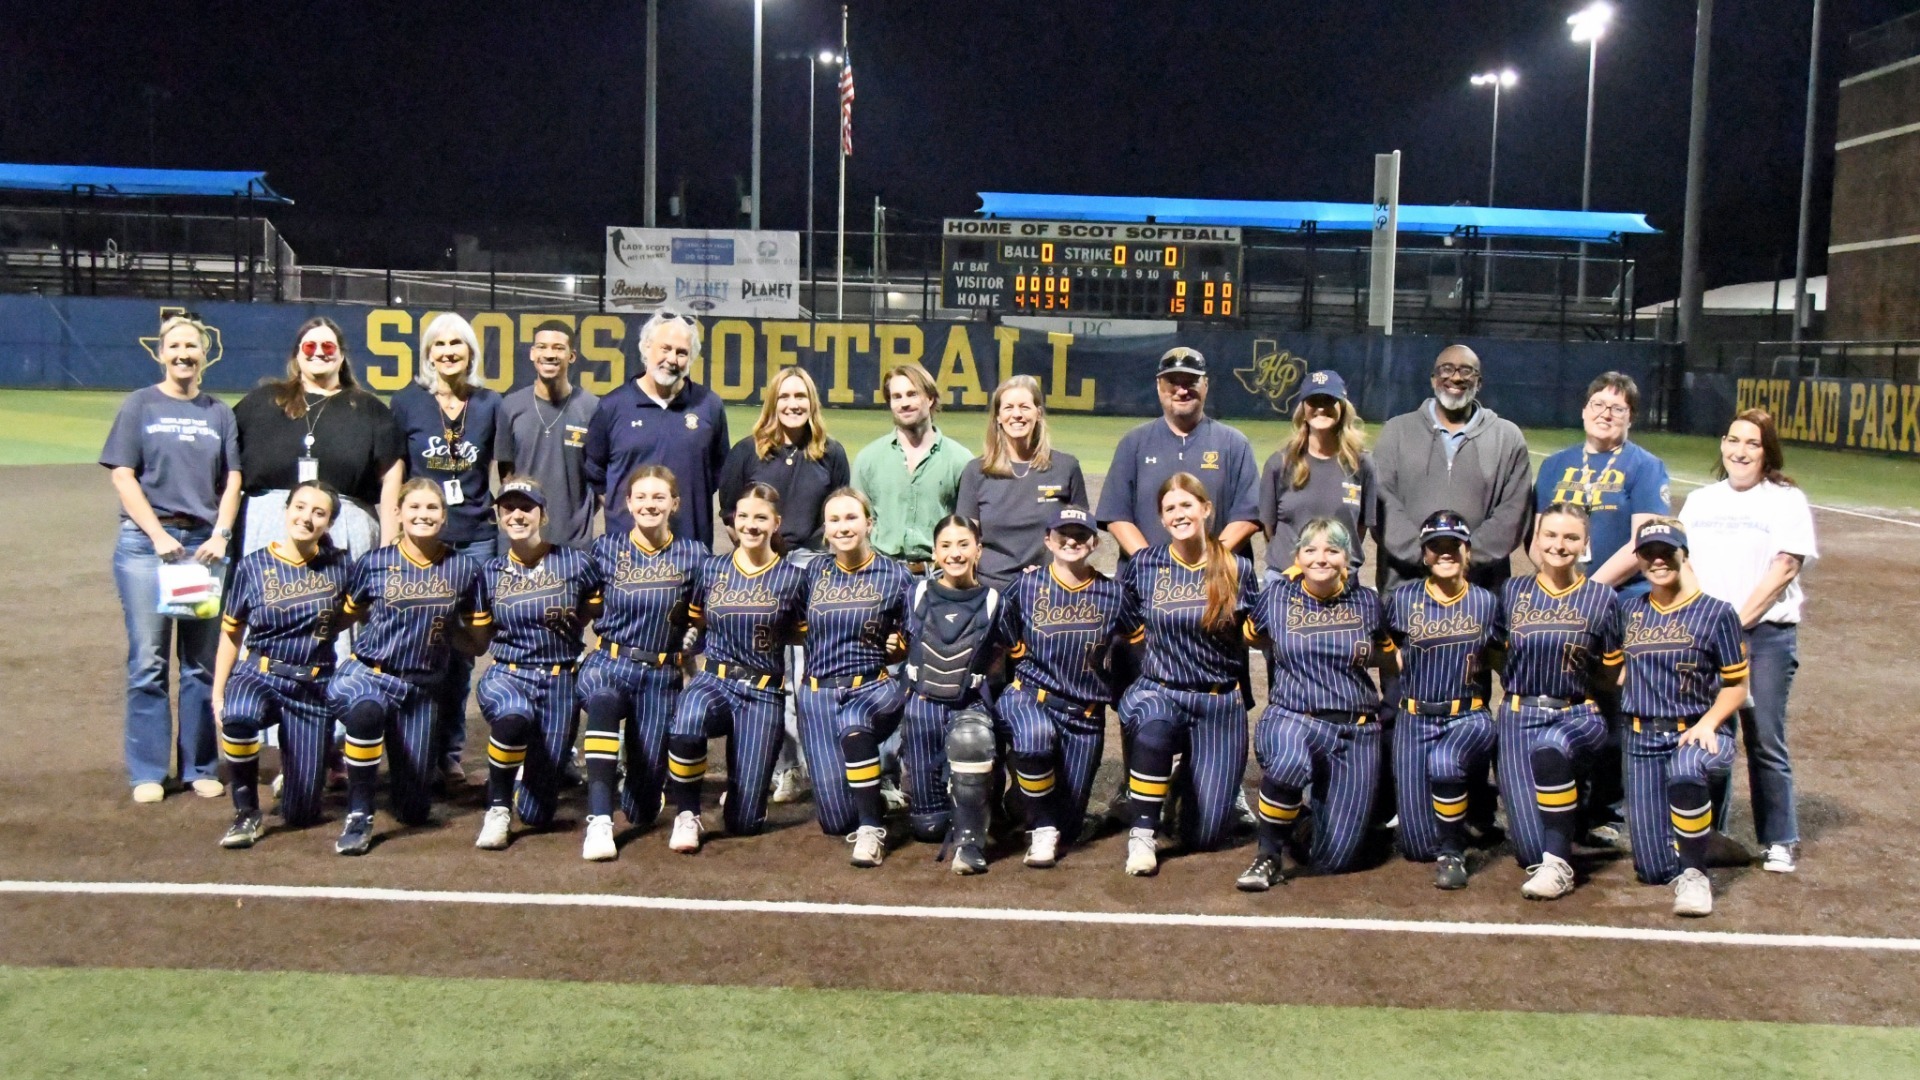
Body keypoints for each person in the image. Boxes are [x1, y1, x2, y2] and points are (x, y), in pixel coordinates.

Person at [101, 311, 243, 804]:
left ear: (206, 354)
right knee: (148, 660)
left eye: (193, 346)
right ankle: (147, 770)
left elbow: (233, 481)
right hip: (148, 550)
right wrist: (158, 534)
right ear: (161, 353)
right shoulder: (139, 406)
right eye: (175, 346)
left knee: (201, 664)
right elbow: (123, 475)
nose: (184, 354)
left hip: (202, 549)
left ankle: (200, 765)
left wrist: (222, 534)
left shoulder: (218, 412)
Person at [1531, 372, 1670, 849]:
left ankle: (1607, 809)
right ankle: (1562, 796)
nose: (1606, 413)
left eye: (1617, 407)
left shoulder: (1644, 466)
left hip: (1620, 603)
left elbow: (1644, 542)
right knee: (1565, 697)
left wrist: (1587, 589)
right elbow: (1539, 539)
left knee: (1611, 703)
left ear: (1632, 416)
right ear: (1583, 409)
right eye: (1598, 404)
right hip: (1561, 602)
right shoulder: (1555, 465)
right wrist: (1558, 585)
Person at [1678, 408, 1816, 874]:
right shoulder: (1700, 501)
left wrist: (1733, 623)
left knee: (1764, 737)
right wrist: (1707, 623)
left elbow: (1785, 568)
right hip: (1709, 635)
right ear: (1722, 444)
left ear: (1766, 451)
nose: (1741, 451)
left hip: (1767, 635)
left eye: (1752, 444)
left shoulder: (1785, 499)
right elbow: (1684, 564)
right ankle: (1707, 834)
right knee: (1711, 733)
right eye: (1734, 440)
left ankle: (1779, 838)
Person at [328, 479, 487, 855]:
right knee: (366, 711)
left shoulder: (463, 569)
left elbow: (476, 640)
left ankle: (396, 785)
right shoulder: (374, 563)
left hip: (420, 689)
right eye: (414, 507)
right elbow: (350, 616)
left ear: (444, 516)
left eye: (432, 508)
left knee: (415, 810)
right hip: (370, 674)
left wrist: (441, 631)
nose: (423, 515)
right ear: (398, 514)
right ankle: (359, 813)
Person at [715, 364, 850, 804]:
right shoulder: (746, 452)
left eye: (802, 397)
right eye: (786, 397)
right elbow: (731, 514)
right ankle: (784, 768)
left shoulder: (830, 453)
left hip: (812, 568)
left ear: (813, 404)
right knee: (767, 670)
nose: (794, 405)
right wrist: (758, 556)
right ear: (773, 402)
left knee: (808, 670)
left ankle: (822, 764)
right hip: (764, 567)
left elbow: (838, 514)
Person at [1238, 518, 1395, 890]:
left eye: (1332, 550)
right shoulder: (1276, 597)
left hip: (1355, 729)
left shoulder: (1367, 603)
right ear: (1297, 557)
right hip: (1294, 717)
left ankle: (1298, 818)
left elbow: (1388, 658)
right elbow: (1250, 636)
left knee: (1334, 859)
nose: (1320, 558)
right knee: (1289, 763)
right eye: (1310, 550)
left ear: (1348, 558)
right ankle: (1267, 856)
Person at [1117, 473, 1258, 877]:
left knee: (1206, 834)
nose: (1179, 514)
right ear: (1161, 519)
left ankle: (1182, 784)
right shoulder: (1145, 564)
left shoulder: (1236, 568)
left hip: (1218, 702)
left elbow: (1256, 632)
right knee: (1154, 727)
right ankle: (1142, 833)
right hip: (1160, 691)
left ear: (1206, 509)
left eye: (1186, 505)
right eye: (1170, 509)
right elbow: (1121, 624)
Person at [662, 483, 811, 851]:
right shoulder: (712, 569)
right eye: (743, 516)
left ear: (776, 523)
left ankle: (741, 795)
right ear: (733, 521)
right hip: (715, 680)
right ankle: (687, 814)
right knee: (687, 721)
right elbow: (694, 621)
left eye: (761, 518)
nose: (751, 525)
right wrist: (686, 657)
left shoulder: (794, 579)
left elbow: (803, 634)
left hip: (763, 693)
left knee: (744, 824)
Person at [389, 312, 503, 788]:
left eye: (458, 343)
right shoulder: (408, 402)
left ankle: (449, 751)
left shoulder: (489, 404)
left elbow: (506, 469)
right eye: (440, 344)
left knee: (462, 653)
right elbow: (396, 468)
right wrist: (391, 528)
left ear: (471, 352)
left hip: (475, 537)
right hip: (422, 539)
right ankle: (412, 747)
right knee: (417, 644)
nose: (449, 351)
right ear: (428, 353)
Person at [574, 465, 708, 862]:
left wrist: (693, 639)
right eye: (642, 497)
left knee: (643, 807)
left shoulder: (694, 555)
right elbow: (579, 600)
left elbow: (701, 619)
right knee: (604, 700)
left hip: (661, 675)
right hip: (609, 663)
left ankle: (635, 793)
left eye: (659, 497)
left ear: (674, 504)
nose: (650, 504)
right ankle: (598, 820)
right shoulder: (605, 550)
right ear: (628, 503)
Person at [1617, 520, 1750, 917]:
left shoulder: (1717, 613)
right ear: (1639, 561)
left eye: (1667, 552)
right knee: (1654, 870)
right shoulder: (1629, 610)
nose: (1658, 561)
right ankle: (1705, 838)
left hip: (1696, 732)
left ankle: (1695, 874)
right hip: (1642, 738)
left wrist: (1708, 723)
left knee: (1687, 771)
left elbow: (1737, 685)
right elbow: (1618, 668)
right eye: (1649, 554)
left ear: (1683, 555)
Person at [211, 480, 354, 847]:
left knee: (302, 813)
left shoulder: (341, 567)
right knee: (239, 714)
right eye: (300, 507)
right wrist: (218, 693)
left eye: (318, 512)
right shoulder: (253, 565)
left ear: (329, 523)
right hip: (258, 673)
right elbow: (231, 633)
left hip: (312, 686)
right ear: (286, 509)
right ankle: (246, 813)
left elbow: (358, 612)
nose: (306, 517)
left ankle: (299, 778)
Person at [1492, 502, 1623, 901]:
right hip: (1518, 714)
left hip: (1576, 713)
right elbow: (1498, 655)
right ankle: (1565, 826)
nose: (1559, 545)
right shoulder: (1512, 591)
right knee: (1530, 850)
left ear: (1585, 544)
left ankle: (1560, 869)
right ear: (1536, 539)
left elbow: (1611, 672)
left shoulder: (1602, 598)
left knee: (1553, 750)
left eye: (1570, 537)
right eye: (1550, 534)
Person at [995, 506, 1135, 868]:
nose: (1071, 540)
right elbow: (995, 617)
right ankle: (1038, 821)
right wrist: (1017, 649)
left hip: (1085, 716)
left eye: (1080, 535)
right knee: (1036, 738)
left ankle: (1024, 800)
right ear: (1048, 540)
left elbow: (1138, 639)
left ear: (1094, 542)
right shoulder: (1027, 584)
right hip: (1031, 698)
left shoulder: (1113, 594)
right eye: (1062, 534)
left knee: (1069, 829)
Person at [467, 479, 603, 851]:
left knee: (538, 813)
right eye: (508, 508)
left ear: (543, 515)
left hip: (559, 680)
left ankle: (525, 775)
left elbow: (596, 610)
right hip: (507, 675)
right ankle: (496, 808)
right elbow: (479, 642)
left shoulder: (576, 563)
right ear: (498, 517)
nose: (517, 515)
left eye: (526, 507)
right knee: (514, 716)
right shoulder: (489, 573)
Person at [793, 488, 913, 867]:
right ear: (825, 530)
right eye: (835, 520)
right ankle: (868, 798)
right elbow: (791, 624)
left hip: (872, 688)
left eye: (851, 518)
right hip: (816, 694)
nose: (843, 527)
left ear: (869, 523)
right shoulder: (811, 573)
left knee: (854, 724)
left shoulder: (896, 574)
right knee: (834, 820)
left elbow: (913, 638)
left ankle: (871, 829)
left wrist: (900, 646)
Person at [1383, 511, 1501, 889]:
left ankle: (1454, 852)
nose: (1445, 553)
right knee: (1417, 846)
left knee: (1446, 762)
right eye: (1437, 547)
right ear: (1424, 554)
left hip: (1468, 717)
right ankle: (1458, 824)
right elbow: (1378, 645)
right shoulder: (1401, 599)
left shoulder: (1486, 603)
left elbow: (1504, 658)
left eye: (1454, 546)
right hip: (1415, 718)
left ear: (1468, 552)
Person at [233, 317, 404, 558]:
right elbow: (228, 467)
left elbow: (392, 480)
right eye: (310, 347)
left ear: (342, 356)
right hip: (264, 527)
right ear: (297, 355)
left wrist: (389, 545)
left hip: (346, 529)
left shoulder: (370, 409)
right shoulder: (263, 400)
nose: (319, 353)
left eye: (328, 347)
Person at [1372, 345, 1532, 593]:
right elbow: (1382, 503)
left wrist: (1464, 558)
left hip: (1480, 593)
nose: (1456, 377)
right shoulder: (1396, 431)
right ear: (1433, 379)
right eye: (1447, 369)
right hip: (1404, 589)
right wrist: (1423, 555)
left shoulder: (1507, 438)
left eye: (1466, 371)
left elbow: (1513, 512)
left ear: (1479, 382)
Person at [900, 515, 1003, 871]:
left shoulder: (994, 600)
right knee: (927, 827)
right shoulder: (915, 593)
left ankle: (971, 844)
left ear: (979, 550)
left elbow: (1007, 659)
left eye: (964, 545)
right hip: (922, 706)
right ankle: (936, 795)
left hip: (969, 705)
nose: (955, 553)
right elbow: (899, 645)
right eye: (946, 545)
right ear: (934, 551)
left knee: (971, 738)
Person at [584, 310, 729, 548]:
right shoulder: (613, 406)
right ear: (646, 348)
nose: (672, 359)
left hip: (690, 550)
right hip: (627, 552)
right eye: (665, 348)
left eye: (682, 352)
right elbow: (596, 475)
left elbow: (718, 474)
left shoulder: (709, 406)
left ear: (691, 358)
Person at [1095, 347, 1259, 556]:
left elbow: (1248, 517)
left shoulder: (1234, 444)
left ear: (1206, 385)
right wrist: (1151, 565)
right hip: (1147, 582)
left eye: (1191, 382)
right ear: (1158, 386)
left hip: (1216, 578)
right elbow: (1117, 516)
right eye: (1172, 382)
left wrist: (1208, 562)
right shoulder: (1133, 443)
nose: (1182, 391)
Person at [954, 374, 1089, 590]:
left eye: (1025, 407)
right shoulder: (976, 471)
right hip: (990, 589)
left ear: (1038, 413)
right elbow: (964, 540)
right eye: (1008, 407)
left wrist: (1053, 572)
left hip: (1050, 587)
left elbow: (1082, 536)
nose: (1016, 414)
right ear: (998, 416)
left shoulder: (1066, 467)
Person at [1256, 369, 1375, 587]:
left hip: (1341, 583)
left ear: (1342, 406)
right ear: (1303, 408)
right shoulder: (1280, 463)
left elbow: (1359, 529)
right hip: (1286, 582)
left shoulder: (1362, 464)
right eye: (1314, 401)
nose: (1321, 407)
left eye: (1329, 400)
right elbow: (1269, 529)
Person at [852, 363, 972, 573]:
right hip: (881, 572)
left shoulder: (960, 460)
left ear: (930, 398)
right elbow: (857, 522)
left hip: (938, 574)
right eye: (897, 397)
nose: (904, 403)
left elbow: (969, 527)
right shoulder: (868, 459)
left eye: (912, 394)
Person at [495, 321, 601, 551]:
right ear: (533, 353)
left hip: (574, 541)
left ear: (572, 356)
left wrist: (579, 518)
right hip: (523, 538)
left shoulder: (592, 408)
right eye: (542, 347)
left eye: (558, 348)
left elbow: (599, 475)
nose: (549, 354)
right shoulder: (511, 406)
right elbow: (506, 475)